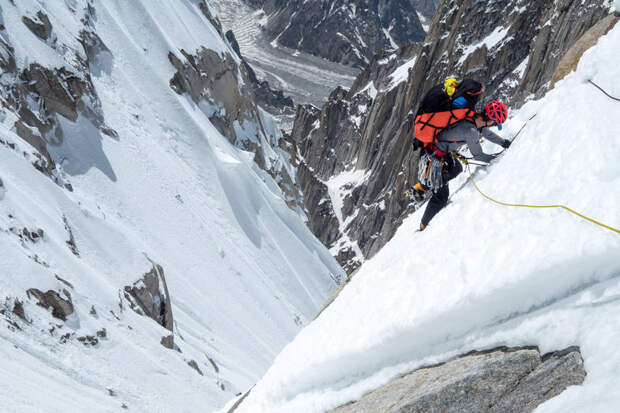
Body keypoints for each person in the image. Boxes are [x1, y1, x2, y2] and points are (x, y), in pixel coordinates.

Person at [412, 100, 511, 231]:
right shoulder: (471, 131)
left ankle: (425, 185)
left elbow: (486, 133)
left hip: (439, 149)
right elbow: (478, 155)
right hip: (434, 156)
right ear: (490, 120)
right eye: (495, 123)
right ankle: (422, 226)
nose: (494, 125)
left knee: (457, 168)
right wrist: (497, 159)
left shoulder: (473, 117)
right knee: (441, 197)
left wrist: (503, 142)